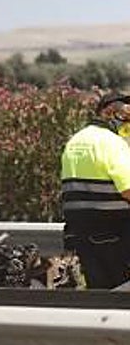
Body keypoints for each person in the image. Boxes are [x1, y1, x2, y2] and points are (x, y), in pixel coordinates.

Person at [60, 91, 130, 289]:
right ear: (109, 113)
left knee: (98, 293)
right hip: (116, 233)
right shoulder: (112, 143)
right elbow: (128, 189)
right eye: (125, 118)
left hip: (82, 234)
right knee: (121, 294)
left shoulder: (74, 141)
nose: (127, 126)